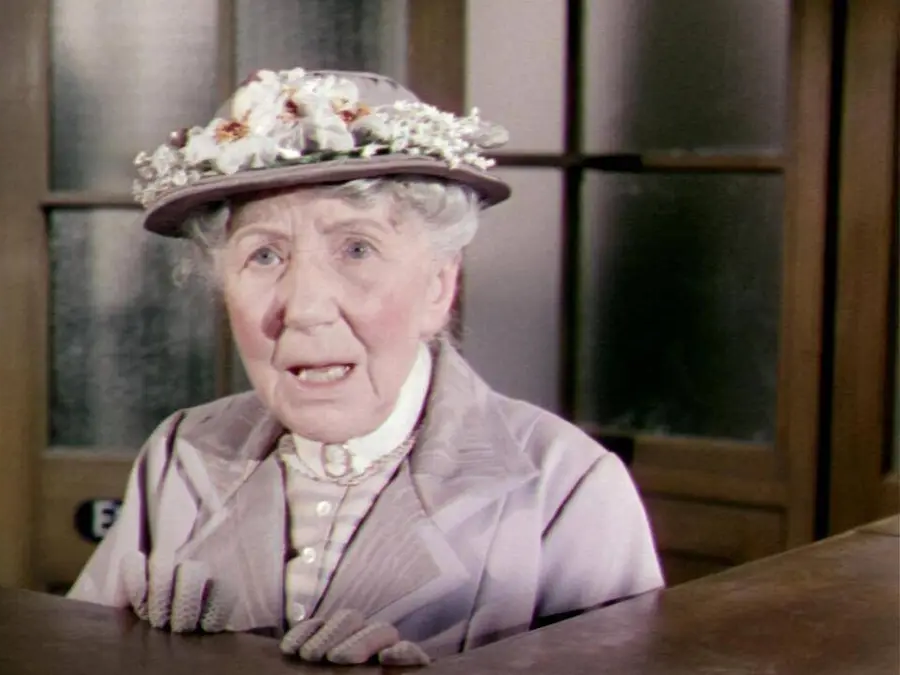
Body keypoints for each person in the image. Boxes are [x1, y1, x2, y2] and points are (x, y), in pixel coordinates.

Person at [68, 68, 664, 666]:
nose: (305, 308)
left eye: (357, 249)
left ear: (438, 286)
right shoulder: (182, 454)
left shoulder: (564, 484)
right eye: (264, 255)